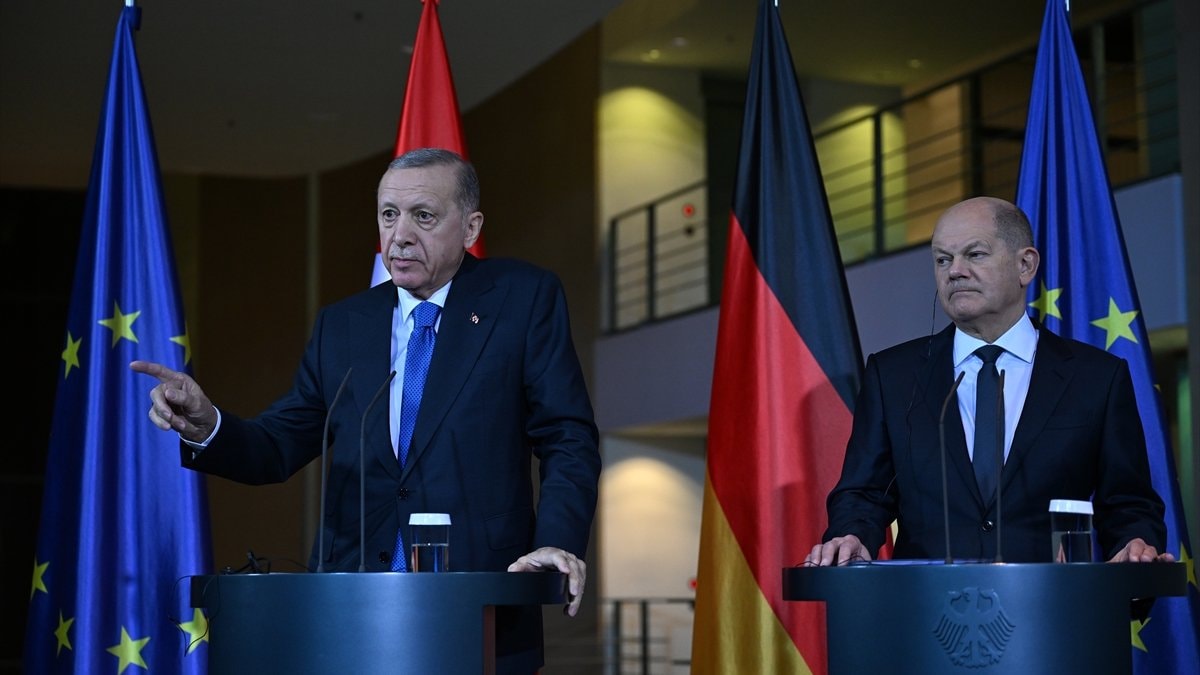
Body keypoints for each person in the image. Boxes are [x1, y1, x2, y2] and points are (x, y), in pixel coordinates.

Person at [131, 147, 601, 673]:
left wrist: (555, 543)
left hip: (480, 604)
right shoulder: (343, 324)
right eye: (388, 214)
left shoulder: (521, 299)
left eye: (424, 216)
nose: (400, 235)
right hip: (351, 610)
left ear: (471, 228)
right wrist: (207, 425)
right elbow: (280, 444)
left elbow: (568, 437)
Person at [805, 196, 1171, 566]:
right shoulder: (893, 376)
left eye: (974, 254)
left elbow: (1128, 503)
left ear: (1025, 265)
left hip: (1050, 599)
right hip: (927, 599)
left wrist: (1134, 545)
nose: (954, 271)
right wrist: (851, 535)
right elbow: (864, 493)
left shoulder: (1096, 377)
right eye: (942, 259)